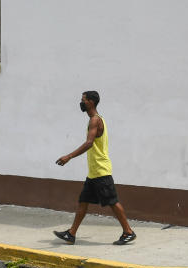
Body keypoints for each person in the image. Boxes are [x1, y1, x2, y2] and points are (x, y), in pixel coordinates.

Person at [54, 91, 137, 245]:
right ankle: (71, 234)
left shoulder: (95, 120)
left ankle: (128, 232)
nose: (81, 103)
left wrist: (69, 156)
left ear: (91, 102)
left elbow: (89, 143)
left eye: (83, 100)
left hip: (101, 170)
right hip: (93, 173)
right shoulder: (96, 120)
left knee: (112, 201)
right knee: (83, 201)